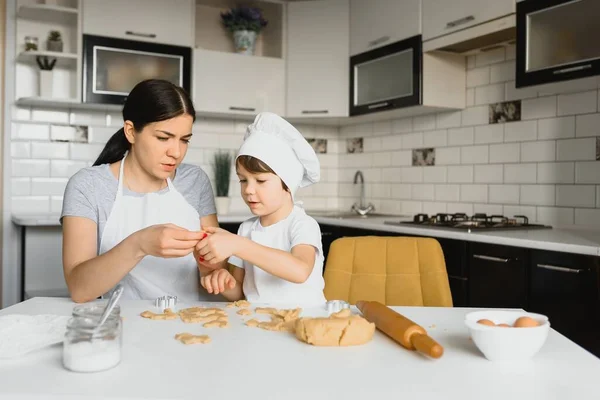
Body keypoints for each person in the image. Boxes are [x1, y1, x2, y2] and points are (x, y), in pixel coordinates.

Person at [61, 79, 222, 303]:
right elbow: (79, 289)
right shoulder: (88, 186)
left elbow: (217, 269)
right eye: (163, 138)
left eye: (184, 140)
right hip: (122, 325)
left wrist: (216, 264)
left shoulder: (195, 181)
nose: (176, 152)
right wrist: (139, 244)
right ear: (131, 132)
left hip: (190, 325)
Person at [195, 112, 327, 306]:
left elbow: (299, 271)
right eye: (243, 180)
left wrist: (238, 245)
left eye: (261, 180)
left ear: (287, 183)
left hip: (303, 322)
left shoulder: (302, 224)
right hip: (258, 324)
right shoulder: (246, 230)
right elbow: (241, 293)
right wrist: (223, 282)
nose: (248, 189)